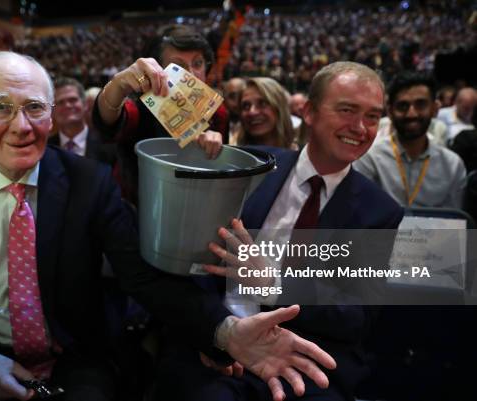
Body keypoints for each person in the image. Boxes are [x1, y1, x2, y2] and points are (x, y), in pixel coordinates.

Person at [0, 51, 337, 401]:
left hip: (74, 359)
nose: (21, 126)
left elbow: (144, 276)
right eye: (1, 108)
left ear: (51, 117)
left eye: (34, 108)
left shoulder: (88, 184)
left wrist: (225, 331)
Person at [156, 62, 404, 401]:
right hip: (218, 347)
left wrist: (273, 284)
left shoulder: (380, 212)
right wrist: (215, 335)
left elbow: (355, 314)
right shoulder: (249, 167)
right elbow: (196, 262)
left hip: (303, 361)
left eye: (373, 116)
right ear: (309, 112)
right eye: (347, 110)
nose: (360, 127)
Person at [92, 24, 228, 205]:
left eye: (197, 63)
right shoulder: (140, 109)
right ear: (156, 71)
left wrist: (215, 148)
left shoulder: (218, 112)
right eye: (177, 66)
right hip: (137, 209)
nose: (191, 73)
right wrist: (118, 84)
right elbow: (107, 121)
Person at [354, 71, 466, 208]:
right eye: (403, 106)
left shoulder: (452, 165)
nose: (411, 114)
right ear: (389, 111)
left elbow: (453, 224)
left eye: (421, 105)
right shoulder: (369, 158)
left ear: (435, 109)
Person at [48, 77, 115, 166]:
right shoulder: (45, 149)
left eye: (73, 100)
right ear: (53, 111)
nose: (67, 105)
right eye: (60, 102)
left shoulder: (108, 145)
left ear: (85, 105)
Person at [235, 77, 296, 149]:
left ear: (279, 108)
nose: (252, 112)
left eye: (262, 103)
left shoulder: (302, 156)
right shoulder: (231, 157)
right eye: (246, 106)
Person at [223, 77, 246, 145]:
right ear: (224, 99)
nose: (237, 103)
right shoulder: (217, 125)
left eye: (241, 96)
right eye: (232, 97)